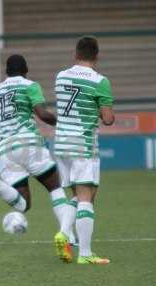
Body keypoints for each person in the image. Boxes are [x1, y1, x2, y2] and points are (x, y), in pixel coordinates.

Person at [0, 54, 76, 262]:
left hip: (6, 152)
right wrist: (63, 123)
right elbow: (42, 114)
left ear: (6, 71)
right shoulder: (30, 85)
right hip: (31, 146)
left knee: (23, 205)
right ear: (26, 69)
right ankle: (68, 236)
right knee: (56, 189)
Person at [54, 36, 114, 264]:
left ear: (75, 54)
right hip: (83, 144)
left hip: (61, 144)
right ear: (97, 56)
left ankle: (64, 233)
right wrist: (100, 108)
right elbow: (108, 119)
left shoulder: (61, 76)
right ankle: (85, 254)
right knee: (87, 198)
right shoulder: (100, 81)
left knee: (78, 196)